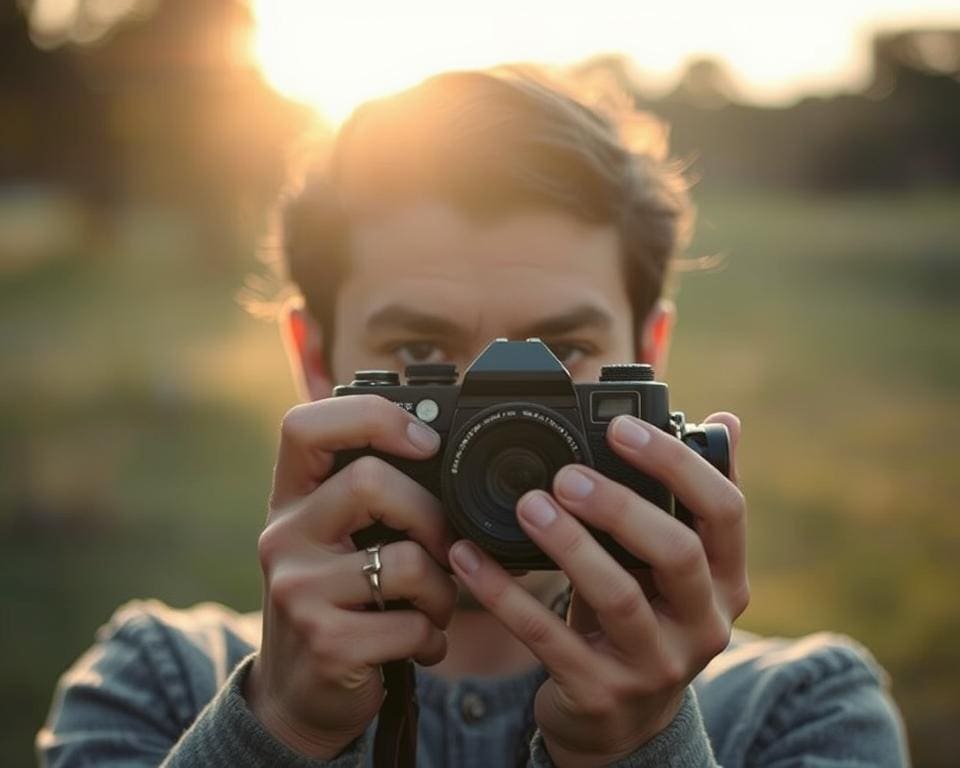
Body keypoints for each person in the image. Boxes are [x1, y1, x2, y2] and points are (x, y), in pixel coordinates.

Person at [37, 67, 910, 767]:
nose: (502, 414)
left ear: (649, 360)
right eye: (422, 356)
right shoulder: (153, 681)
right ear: (314, 363)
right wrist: (278, 732)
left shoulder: (805, 711)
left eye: (561, 352)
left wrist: (643, 751)